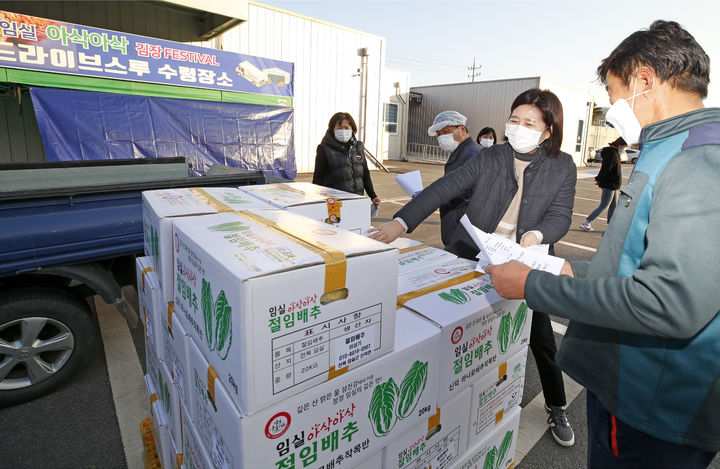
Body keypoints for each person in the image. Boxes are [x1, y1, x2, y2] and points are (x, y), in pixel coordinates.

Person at [485, 20, 719, 468]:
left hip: (650, 405)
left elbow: (669, 300)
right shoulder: (670, 148)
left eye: (613, 94)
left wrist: (534, 285)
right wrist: (573, 270)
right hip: (635, 391)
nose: (612, 107)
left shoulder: (699, 159)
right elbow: (636, 262)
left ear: (644, 81)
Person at [370, 89, 577, 446]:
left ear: (547, 131)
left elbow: (560, 214)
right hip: (477, 256)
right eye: (514, 119)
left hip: (526, 259)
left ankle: (556, 405)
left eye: (529, 123)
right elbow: (444, 188)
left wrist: (537, 234)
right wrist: (400, 223)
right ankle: (447, 404)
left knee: (541, 338)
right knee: (463, 327)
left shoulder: (563, 165)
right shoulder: (491, 157)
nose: (518, 127)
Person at [427, 111, 482, 245]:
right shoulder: (461, 151)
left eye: (446, 132)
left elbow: (465, 193)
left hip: (463, 229)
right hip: (456, 225)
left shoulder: (472, 154)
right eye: (439, 134)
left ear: (461, 129)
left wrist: (435, 198)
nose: (442, 137)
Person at [312, 112, 380, 211]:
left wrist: (373, 196)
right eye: (339, 128)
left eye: (346, 128)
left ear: (352, 129)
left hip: (357, 200)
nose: (343, 131)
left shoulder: (358, 147)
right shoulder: (324, 148)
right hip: (334, 203)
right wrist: (316, 200)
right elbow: (318, 177)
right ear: (332, 130)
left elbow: (365, 174)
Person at [580, 137, 625, 231]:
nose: (623, 149)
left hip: (614, 184)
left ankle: (611, 226)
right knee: (604, 206)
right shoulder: (612, 154)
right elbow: (605, 168)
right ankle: (586, 222)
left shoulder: (615, 153)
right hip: (609, 184)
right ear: (619, 145)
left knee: (614, 205)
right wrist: (599, 179)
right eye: (623, 147)